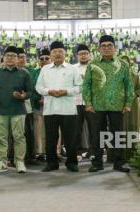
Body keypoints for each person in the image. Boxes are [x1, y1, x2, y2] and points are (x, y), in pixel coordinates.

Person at [82, 35, 134, 173]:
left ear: (114, 48)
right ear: (99, 49)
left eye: (109, 45)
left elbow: (129, 85)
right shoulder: (92, 65)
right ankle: (97, 162)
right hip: (97, 106)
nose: (106, 48)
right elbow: (86, 85)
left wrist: (128, 103)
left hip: (117, 106)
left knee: (117, 134)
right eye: (103, 46)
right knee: (97, 135)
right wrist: (88, 103)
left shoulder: (123, 65)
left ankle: (119, 163)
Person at [36, 41, 82, 172]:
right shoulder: (45, 69)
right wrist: (48, 92)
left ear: (65, 54)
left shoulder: (73, 69)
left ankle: (72, 162)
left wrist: (66, 92)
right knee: (51, 138)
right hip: (50, 109)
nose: (57, 54)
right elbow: (38, 87)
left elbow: (80, 87)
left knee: (70, 138)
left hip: (68, 109)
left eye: (60, 51)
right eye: (55, 52)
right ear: (50, 54)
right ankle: (51, 163)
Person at [0, 46, 32, 174]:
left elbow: (30, 91)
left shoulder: (24, 73)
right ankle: (1, 162)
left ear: (18, 59)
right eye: (8, 56)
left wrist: (23, 96)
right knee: (1, 138)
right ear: (3, 58)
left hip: (18, 110)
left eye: (13, 56)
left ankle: (20, 162)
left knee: (19, 137)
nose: (10, 58)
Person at [120, 55, 140, 161]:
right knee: (119, 128)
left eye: (126, 62)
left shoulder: (135, 75)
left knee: (132, 127)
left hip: (133, 105)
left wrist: (133, 94)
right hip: (118, 105)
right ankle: (119, 156)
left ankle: (131, 155)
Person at [73, 44, 93, 157]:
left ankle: (93, 151)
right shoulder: (72, 68)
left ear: (89, 55)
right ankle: (77, 152)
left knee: (93, 128)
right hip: (76, 102)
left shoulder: (94, 67)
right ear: (77, 56)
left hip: (91, 103)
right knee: (75, 129)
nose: (83, 56)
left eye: (85, 53)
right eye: (81, 54)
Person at [31, 48, 51, 160]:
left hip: (54, 106)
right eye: (41, 59)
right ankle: (40, 153)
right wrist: (38, 98)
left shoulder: (56, 71)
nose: (44, 60)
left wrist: (47, 97)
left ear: (51, 59)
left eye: (46, 58)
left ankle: (54, 152)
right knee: (39, 131)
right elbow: (31, 88)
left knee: (54, 130)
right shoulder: (34, 73)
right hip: (38, 106)